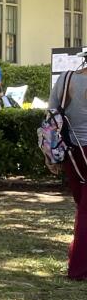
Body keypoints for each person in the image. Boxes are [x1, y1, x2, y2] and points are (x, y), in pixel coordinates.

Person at [50, 65, 87, 280]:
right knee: (85, 211)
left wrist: (50, 156)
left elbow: (51, 115)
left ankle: (77, 257)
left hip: (71, 150)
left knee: (81, 204)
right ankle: (79, 267)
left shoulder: (66, 78)